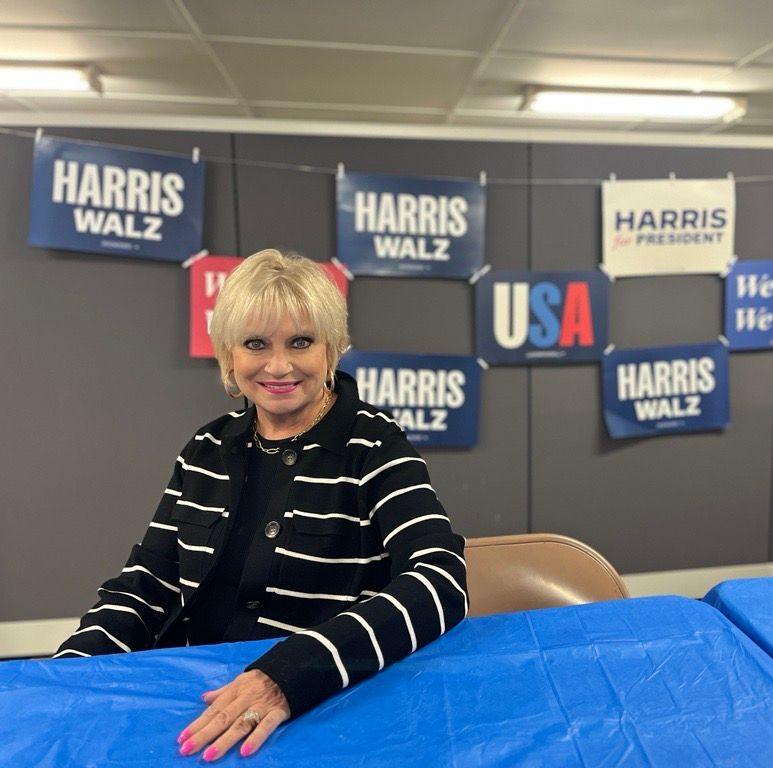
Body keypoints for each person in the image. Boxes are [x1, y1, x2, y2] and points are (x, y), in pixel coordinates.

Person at [53, 249, 468, 761]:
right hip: (191, 704)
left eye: (301, 341)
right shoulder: (204, 449)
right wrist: (62, 676)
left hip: (318, 710)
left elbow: (439, 582)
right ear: (229, 355)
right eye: (255, 343)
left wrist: (289, 676)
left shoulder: (375, 445)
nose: (278, 365)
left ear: (333, 348)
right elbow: (147, 585)